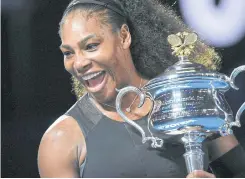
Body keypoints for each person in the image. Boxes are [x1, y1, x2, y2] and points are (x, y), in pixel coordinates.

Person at [37, 0, 245, 177]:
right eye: (68, 53)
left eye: (91, 46)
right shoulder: (60, 141)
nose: (79, 63)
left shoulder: (187, 98)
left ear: (124, 36)